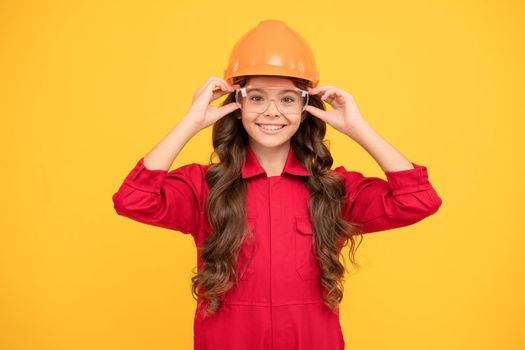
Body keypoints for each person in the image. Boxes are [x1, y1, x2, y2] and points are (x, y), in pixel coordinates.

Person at [112, 19, 442, 350]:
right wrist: (190, 122)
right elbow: (132, 200)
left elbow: (418, 200)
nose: (271, 112)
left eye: (287, 99)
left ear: (305, 107)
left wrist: (358, 128)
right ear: (237, 105)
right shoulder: (204, 186)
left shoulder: (334, 190)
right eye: (257, 98)